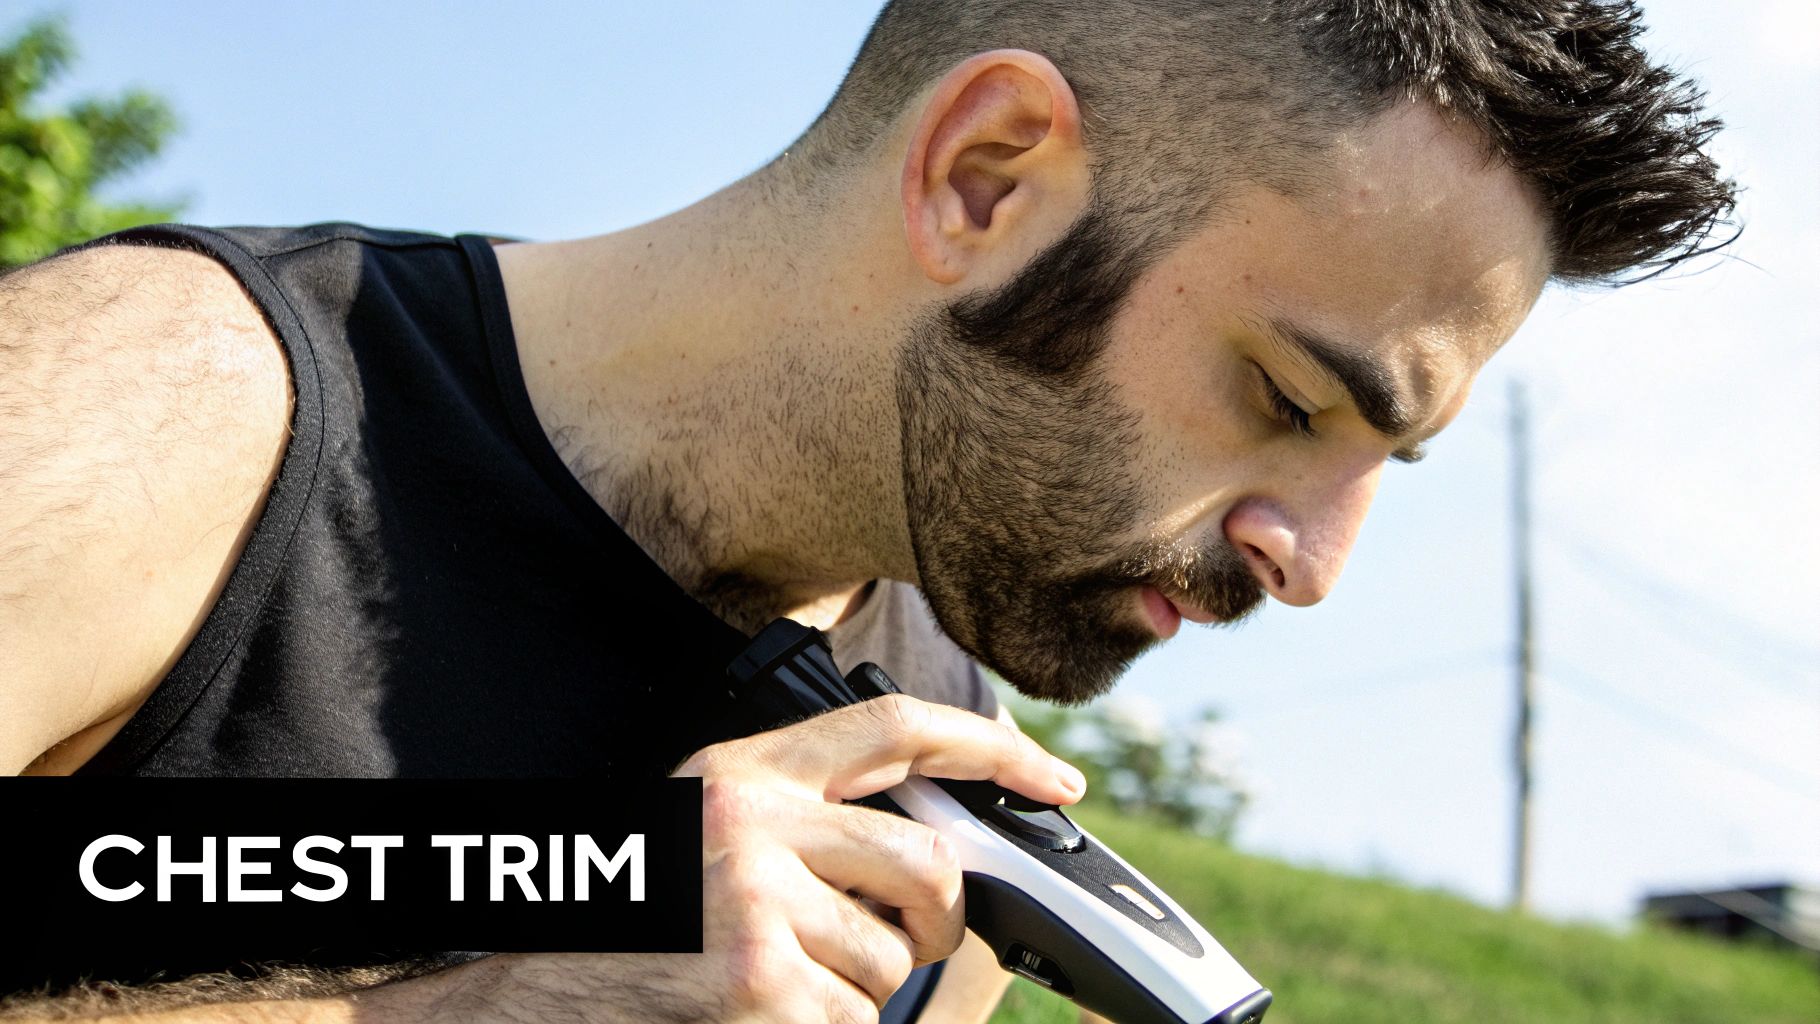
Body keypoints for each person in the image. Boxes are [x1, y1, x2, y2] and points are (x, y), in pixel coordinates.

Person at [0, 0, 1734, 1021]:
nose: (1309, 565)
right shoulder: (164, 409)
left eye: (1379, 463)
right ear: (987, 179)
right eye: (1289, 402)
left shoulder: (931, 751)